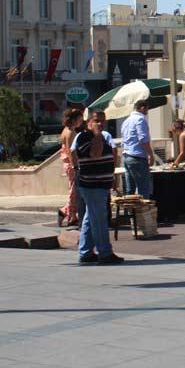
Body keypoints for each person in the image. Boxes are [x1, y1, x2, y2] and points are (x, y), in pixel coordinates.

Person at [73, 113, 123, 264]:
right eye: (96, 121)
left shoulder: (101, 137)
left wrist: (111, 176)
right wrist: (96, 135)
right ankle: (105, 253)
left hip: (100, 184)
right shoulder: (84, 137)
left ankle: (86, 252)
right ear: (88, 122)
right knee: (99, 220)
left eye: (103, 121)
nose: (100, 124)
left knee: (90, 218)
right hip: (92, 185)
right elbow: (95, 154)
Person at [120, 99, 154, 198]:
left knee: (129, 190)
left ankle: (130, 212)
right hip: (137, 157)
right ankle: (142, 213)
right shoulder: (140, 119)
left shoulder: (126, 121)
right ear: (143, 108)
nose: (147, 112)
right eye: (147, 109)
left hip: (127, 156)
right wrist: (150, 155)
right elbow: (143, 138)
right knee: (143, 189)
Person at [58, 108, 84, 227]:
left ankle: (72, 216)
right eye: (80, 118)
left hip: (69, 164)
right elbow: (70, 150)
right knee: (74, 191)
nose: (82, 120)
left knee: (74, 191)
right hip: (71, 164)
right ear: (74, 119)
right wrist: (75, 165)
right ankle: (65, 212)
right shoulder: (70, 132)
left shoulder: (67, 130)